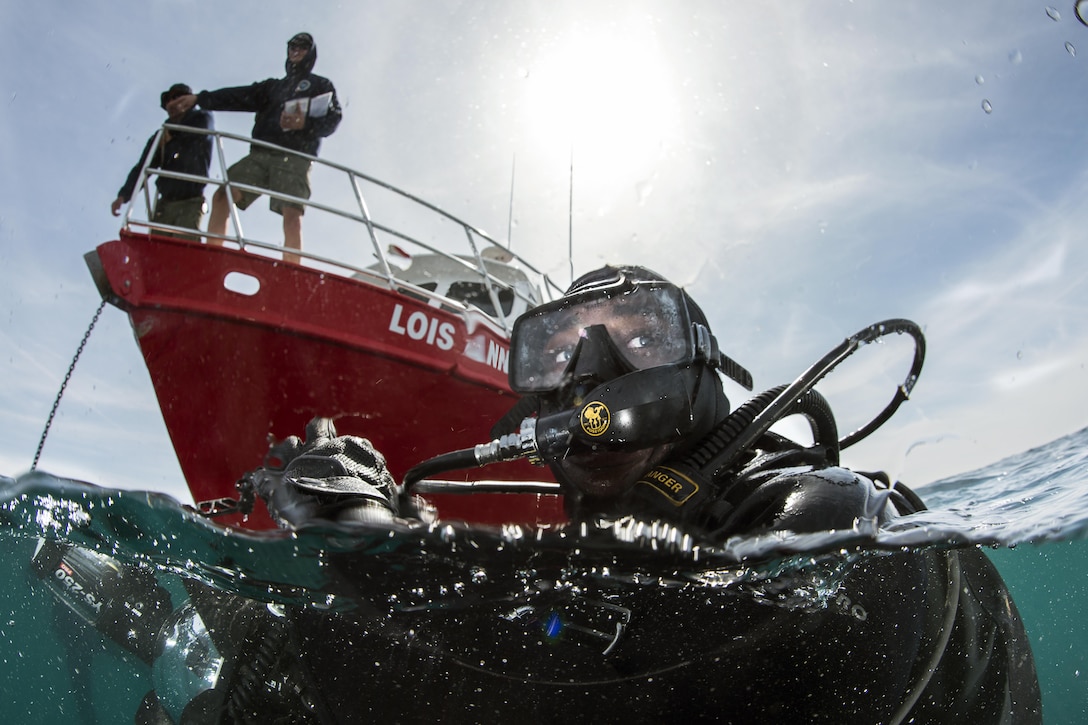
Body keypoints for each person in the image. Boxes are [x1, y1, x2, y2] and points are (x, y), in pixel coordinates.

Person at [30, 265, 1042, 722]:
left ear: (703, 368)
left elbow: (661, 662)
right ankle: (185, 624)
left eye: (636, 332)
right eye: (550, 348)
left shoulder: (822, 519)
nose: (592, 364)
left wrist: (381, 546)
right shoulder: (563, 593)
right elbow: (554, 633)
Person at [167, 32, 342, 265]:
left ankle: (291, 270)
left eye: (302, 47)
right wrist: (200, 98)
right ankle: (210, 258)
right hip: (260, 153)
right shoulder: (271, 87)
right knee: (223, 194)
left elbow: (333, 120)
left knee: (292, 214)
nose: (296, 51)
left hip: (295, 157)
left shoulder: (321, 85)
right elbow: (237, 96)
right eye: (292, 46)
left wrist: (305, 124)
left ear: (311, 52)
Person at [111, 83, 213, 241]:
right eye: (168, 100)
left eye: (177, 97)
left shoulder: (202, 118)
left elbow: (199, 133)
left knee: (184, 249)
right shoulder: (160, 137)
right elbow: (143, 167)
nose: (171, 103)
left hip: (190, 201)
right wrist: (124, 195)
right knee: (157, 250)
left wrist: (172, 133)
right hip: (164, 205)